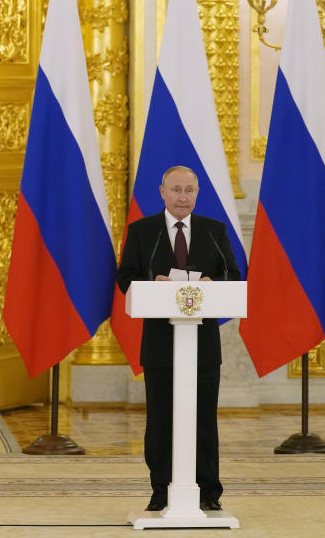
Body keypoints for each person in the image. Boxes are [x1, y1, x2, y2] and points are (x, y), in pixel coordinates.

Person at [115, 165, 240, 513]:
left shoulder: (213, 231)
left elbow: (233, 273)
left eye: (189, 190)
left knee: (203, 419)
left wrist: (216, 284)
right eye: (177, 190)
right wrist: (149, 284)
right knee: (160, 420)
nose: (183, 197)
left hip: (202, 345)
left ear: (197, 193)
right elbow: (125, 277)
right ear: (162, 192)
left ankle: (208, 491)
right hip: (159, 344)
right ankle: (160, 489)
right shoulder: (143, 231)